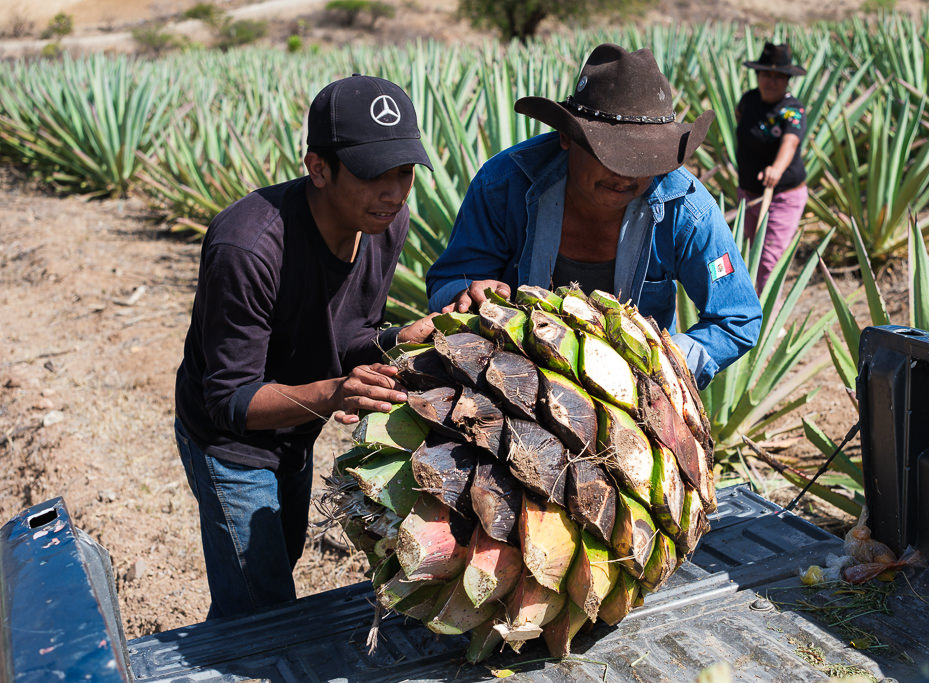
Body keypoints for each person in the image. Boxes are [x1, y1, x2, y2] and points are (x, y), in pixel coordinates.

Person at [173, 75, 435, 620]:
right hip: (232, 443)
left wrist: (395, 341)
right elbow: (230, 401)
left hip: (298, 424)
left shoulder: (384, 221)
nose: (394, 191)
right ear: (318, 168)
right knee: (259, 607)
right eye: (372, 175)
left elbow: (349, 337)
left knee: (276, 564)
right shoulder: (247, 247)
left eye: (404, 172)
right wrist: (336, 392)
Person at [425, 43, 761, 390]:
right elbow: (448, 281)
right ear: (567, 138)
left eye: (645, 161)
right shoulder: (503, 185)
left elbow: (736, 318)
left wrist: (661, 366)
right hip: (511, 382)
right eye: (613, 157)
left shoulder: (687, 209)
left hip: (634, 395)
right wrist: (469, 291)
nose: (627, 177)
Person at [735, 41, 808, 293]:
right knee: (746, 257)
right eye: (766, 74)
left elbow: (791, 140)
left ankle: (769, 324)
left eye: (779, 76)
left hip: (782, 197)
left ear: (788, 80)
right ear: (758, 75)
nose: (771, 81)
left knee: (768, 263)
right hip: (748, 195)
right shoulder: (748, 101)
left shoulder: (793, 109)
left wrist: (776, 168)